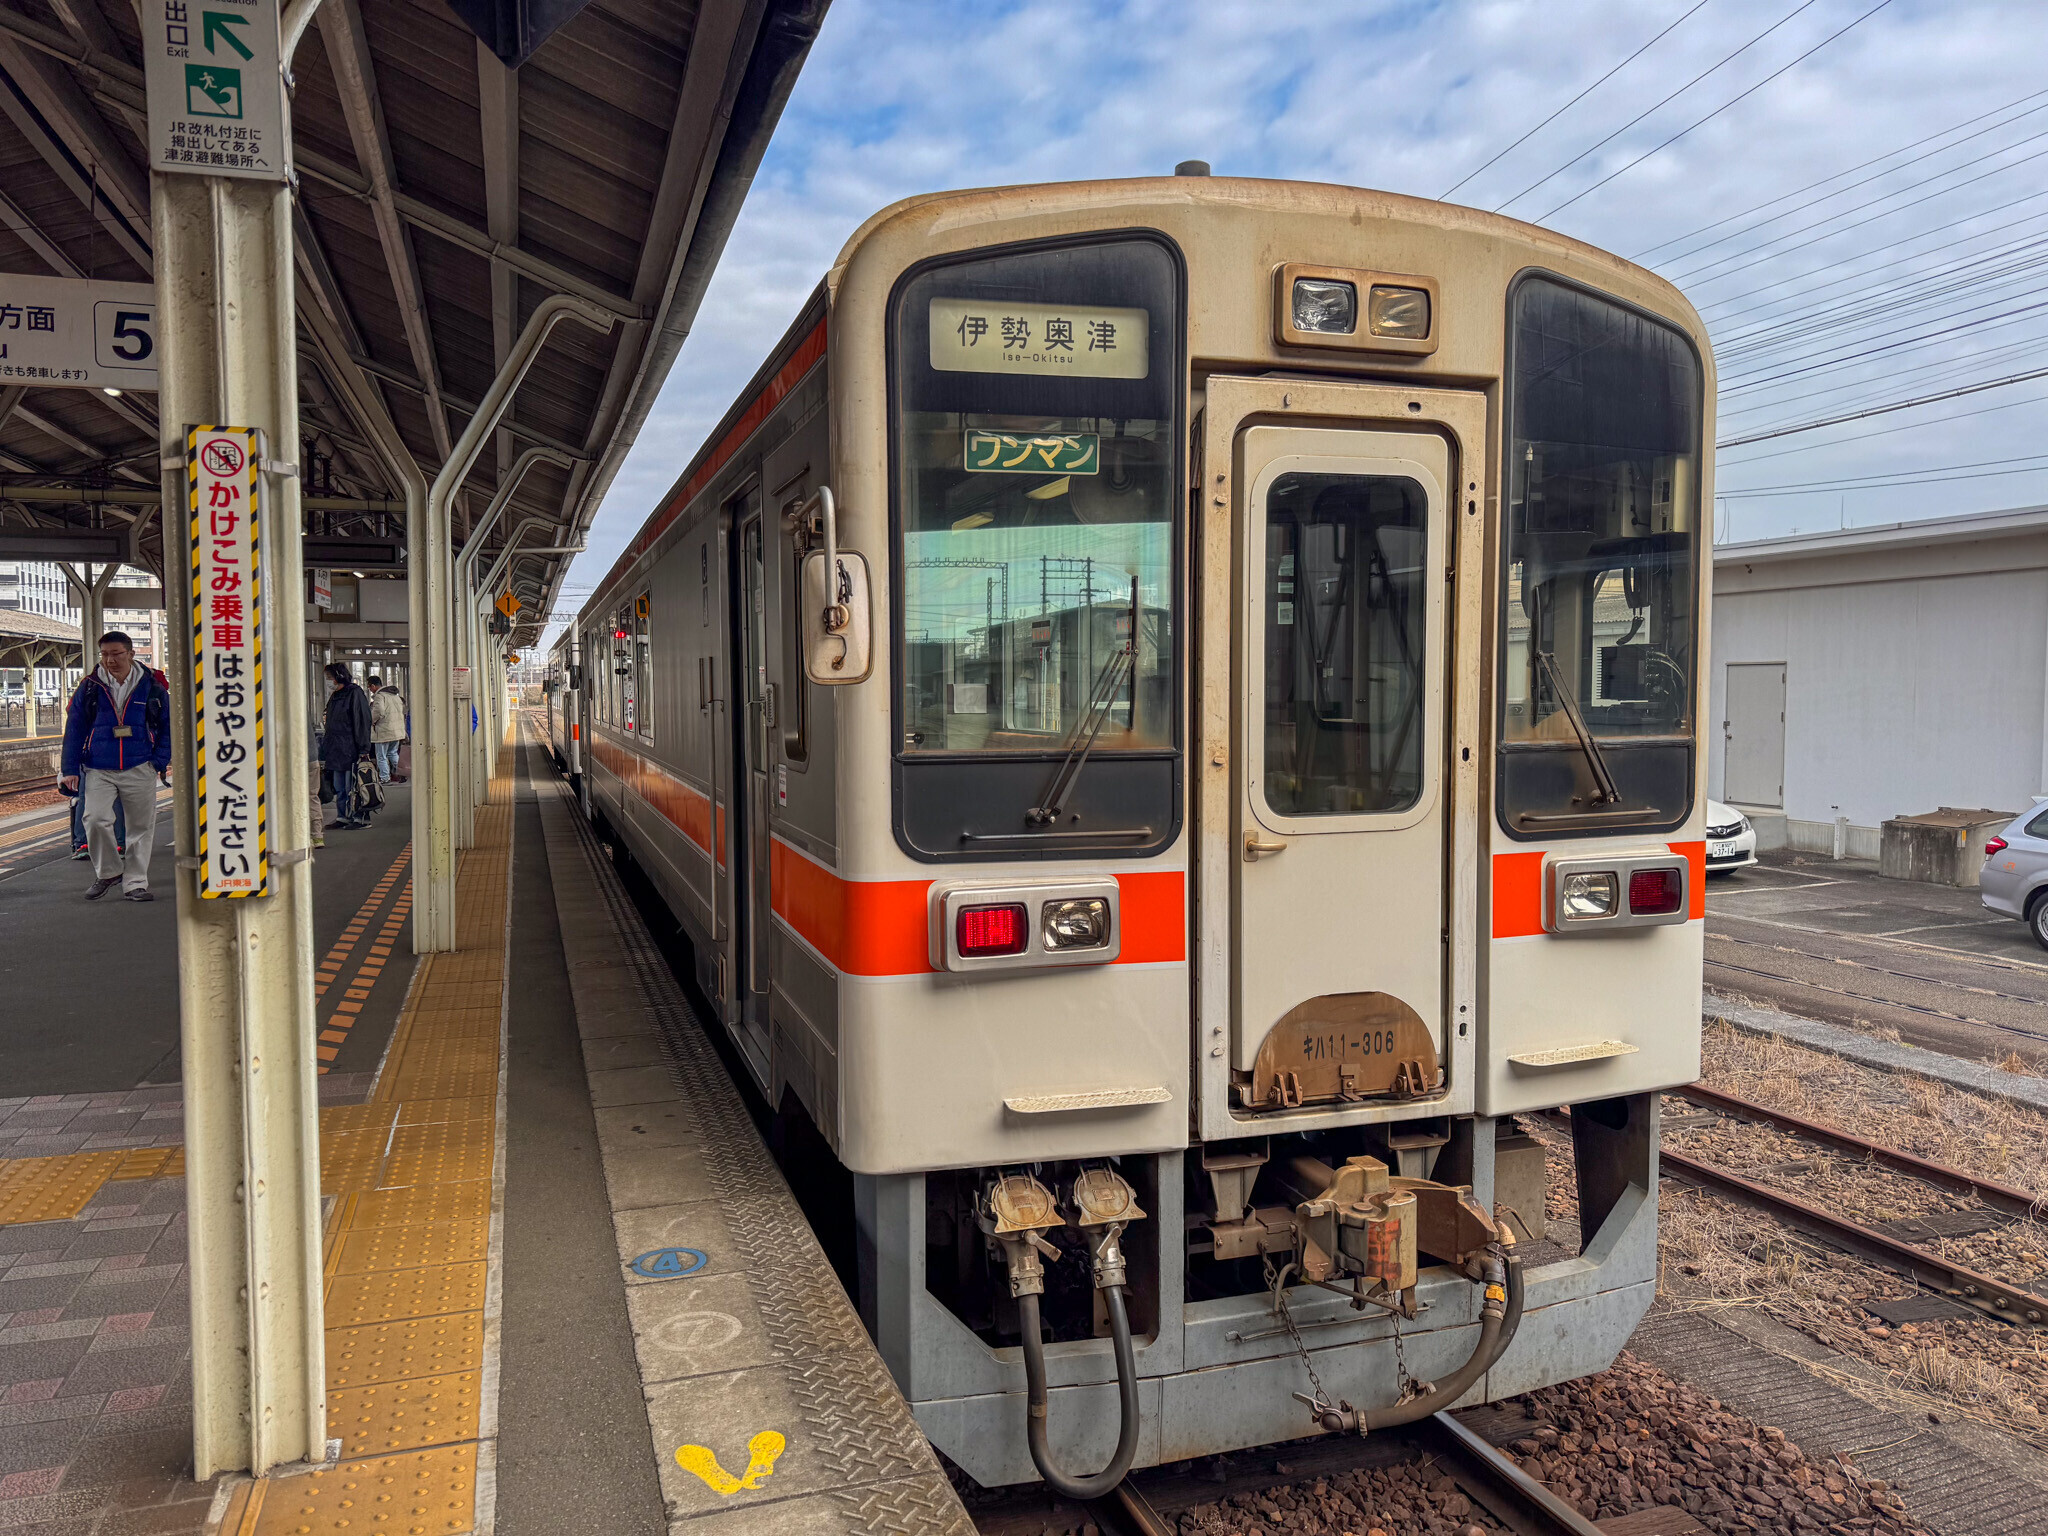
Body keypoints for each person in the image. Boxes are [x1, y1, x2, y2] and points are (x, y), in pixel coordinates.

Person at [61, 632, 172, 901]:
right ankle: (109, 872)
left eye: (116, 654)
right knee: (94, 819)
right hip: (99, 766)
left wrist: (158, 761)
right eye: (105, 654)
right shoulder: (90, 686)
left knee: (140, 828)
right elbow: (74, 727)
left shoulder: (152, 685)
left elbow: (168, 725)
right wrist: (69, 768)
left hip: (140, 765)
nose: (110, 660)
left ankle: (135, 883)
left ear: (130, 654)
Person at [322, 662, 375, 830]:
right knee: (340, 788)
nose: (327, 681)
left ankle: (360, 817)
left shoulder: (354, 693)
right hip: (336, 749)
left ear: (339, 676)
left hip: (351, 748)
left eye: (329, 677)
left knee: (354, 785)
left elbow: (362, 721)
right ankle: (343, 816)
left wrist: (364, 749)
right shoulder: (335, 696)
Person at [368, 675, 405, 784]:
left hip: (383, 731)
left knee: (381, 756)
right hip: (396, 731)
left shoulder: (380, 696)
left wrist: (372, 721)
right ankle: (403, 773)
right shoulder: (395, 696)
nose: (369, 689)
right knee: (392, 753)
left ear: (373, 686)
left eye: (369, 687)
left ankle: (385, 778)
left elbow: (379, 711)